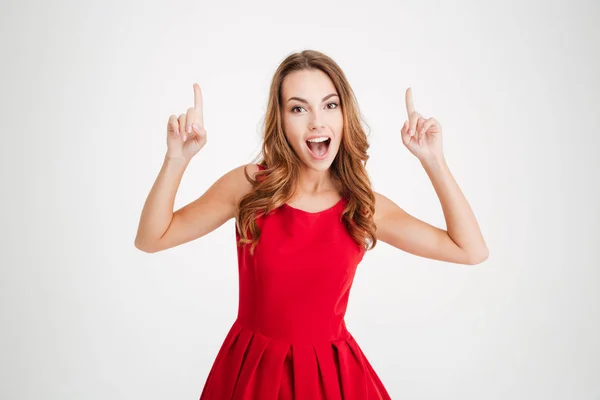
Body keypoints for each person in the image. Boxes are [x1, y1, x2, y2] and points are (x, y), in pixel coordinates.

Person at [134, 49, 489, 399]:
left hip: (333, 380)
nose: (317, 121)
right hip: (252, 375)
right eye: (299, 108)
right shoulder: (249, 187)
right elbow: (152, 238)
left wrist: (433, 160)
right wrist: (175, 159)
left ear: (345, 114)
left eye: (330, 105)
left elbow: (470, 250)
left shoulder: (363, 206)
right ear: (281, 120)